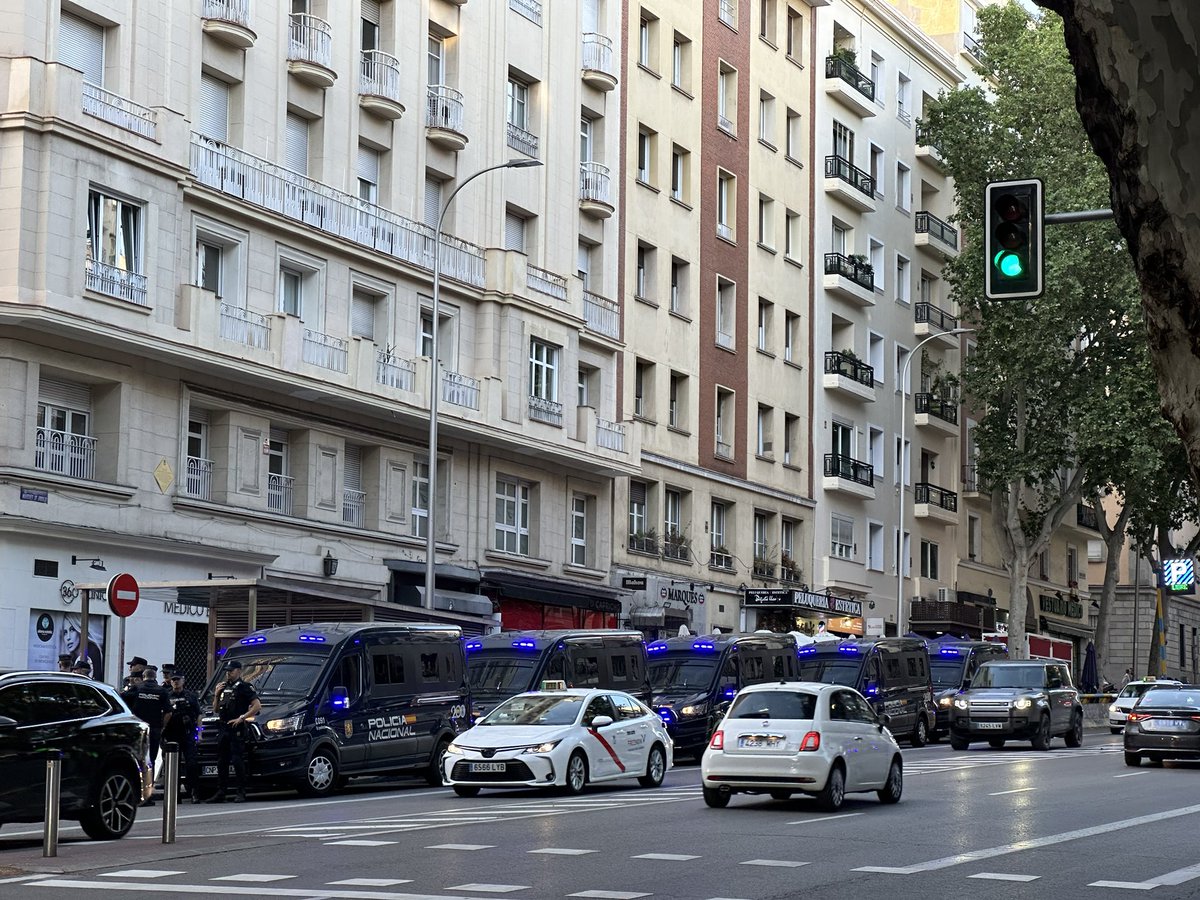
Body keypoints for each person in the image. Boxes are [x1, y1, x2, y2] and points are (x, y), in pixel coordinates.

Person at [208, 660, 260, 803]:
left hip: (236, 728)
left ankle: (241, 792)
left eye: (231, 671)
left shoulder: (244, 687)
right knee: (222, 761)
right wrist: (217, 695)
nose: (228, 673)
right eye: (227, 671)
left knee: (237, 760)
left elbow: (257, 706)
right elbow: (216, 709)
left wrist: (242, 718)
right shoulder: (224, 687)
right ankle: (221, 792)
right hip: (223, 727)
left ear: (238, 671)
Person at [121, 664, 171, 806]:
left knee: (138, 760)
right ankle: (148, 796)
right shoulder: (161, 691)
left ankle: (138, 794)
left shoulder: (137, 689)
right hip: (154, 730)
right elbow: (168, 712)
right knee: (151, 761)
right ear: (155, 677)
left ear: (143, 677)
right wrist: (162, 726)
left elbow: (122, 700)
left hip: (139, 730)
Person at [163, 672, 203, 804]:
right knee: (173, 766)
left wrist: (199, 734)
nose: (176, 682)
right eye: (173, 680)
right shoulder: (167, 696)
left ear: (183, 680)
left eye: (178, 679)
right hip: (172, 734)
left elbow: (199, 715)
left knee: (192, 764)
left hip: (188, 734)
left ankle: (194, 793)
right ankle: (175, 795)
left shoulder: (191, 696)